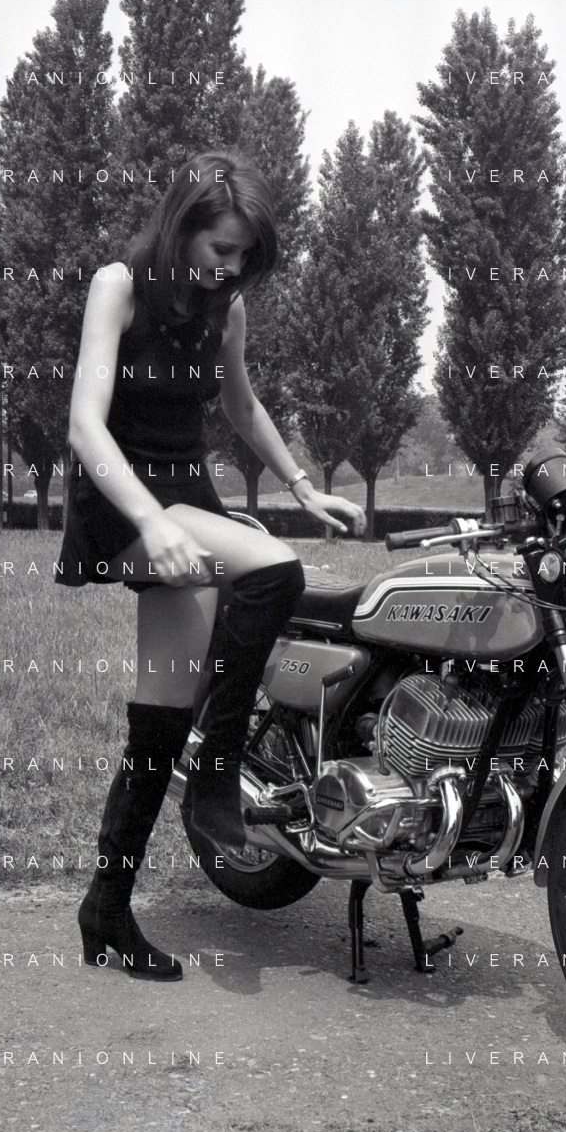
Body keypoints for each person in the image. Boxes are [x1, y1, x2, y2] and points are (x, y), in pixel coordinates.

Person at [55, 151, 365, 981]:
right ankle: (216, 778)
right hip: (120, 500)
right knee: (273, 571)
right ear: (181, 224)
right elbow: (85, 425)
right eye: (221, 249)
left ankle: (106, 909)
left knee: (159, 724)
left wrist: (301, 484)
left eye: (243, 256)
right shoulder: (118, 286)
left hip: (183, 499)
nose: (230, 268)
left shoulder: (224, 307)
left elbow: (241, 403)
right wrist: (151, 521)